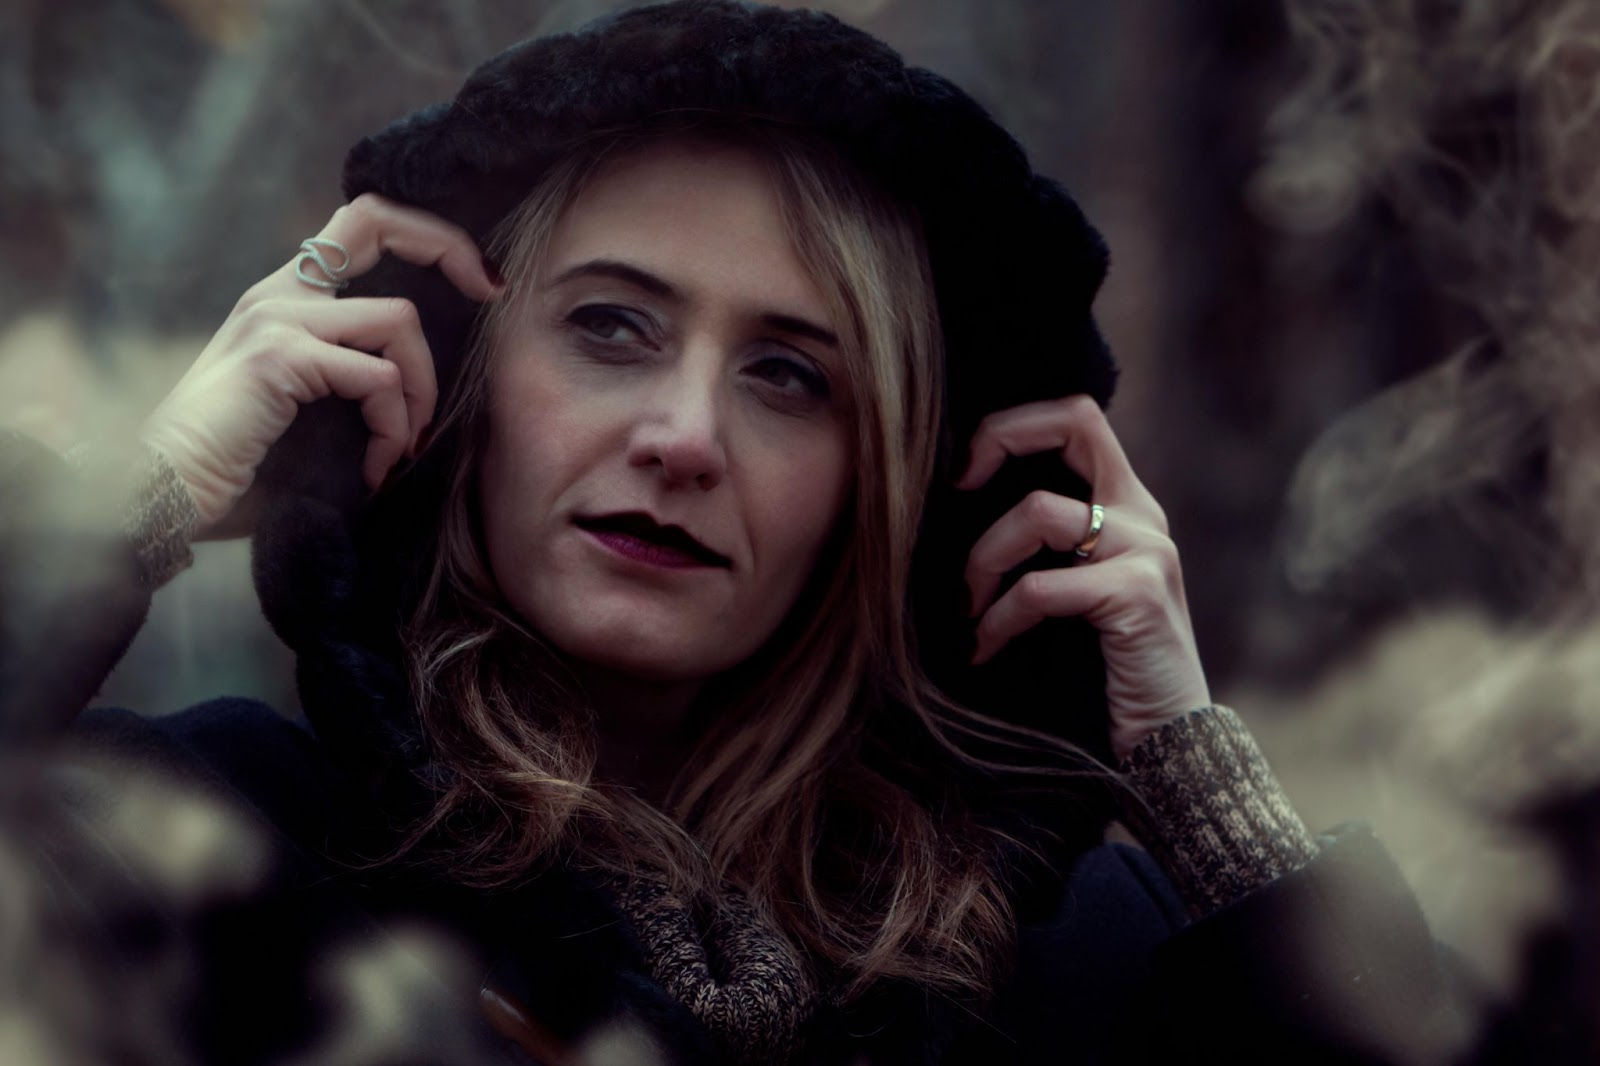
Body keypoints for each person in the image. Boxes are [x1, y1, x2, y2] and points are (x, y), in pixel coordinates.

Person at [0, 2, 1467, 1063]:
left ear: (891, 475)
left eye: (791, 374)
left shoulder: (1072, 955)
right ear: (456, 388)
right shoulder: (204, 844)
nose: (685, 437)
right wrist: (138, 497)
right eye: (610, 325)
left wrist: (1200, 790)